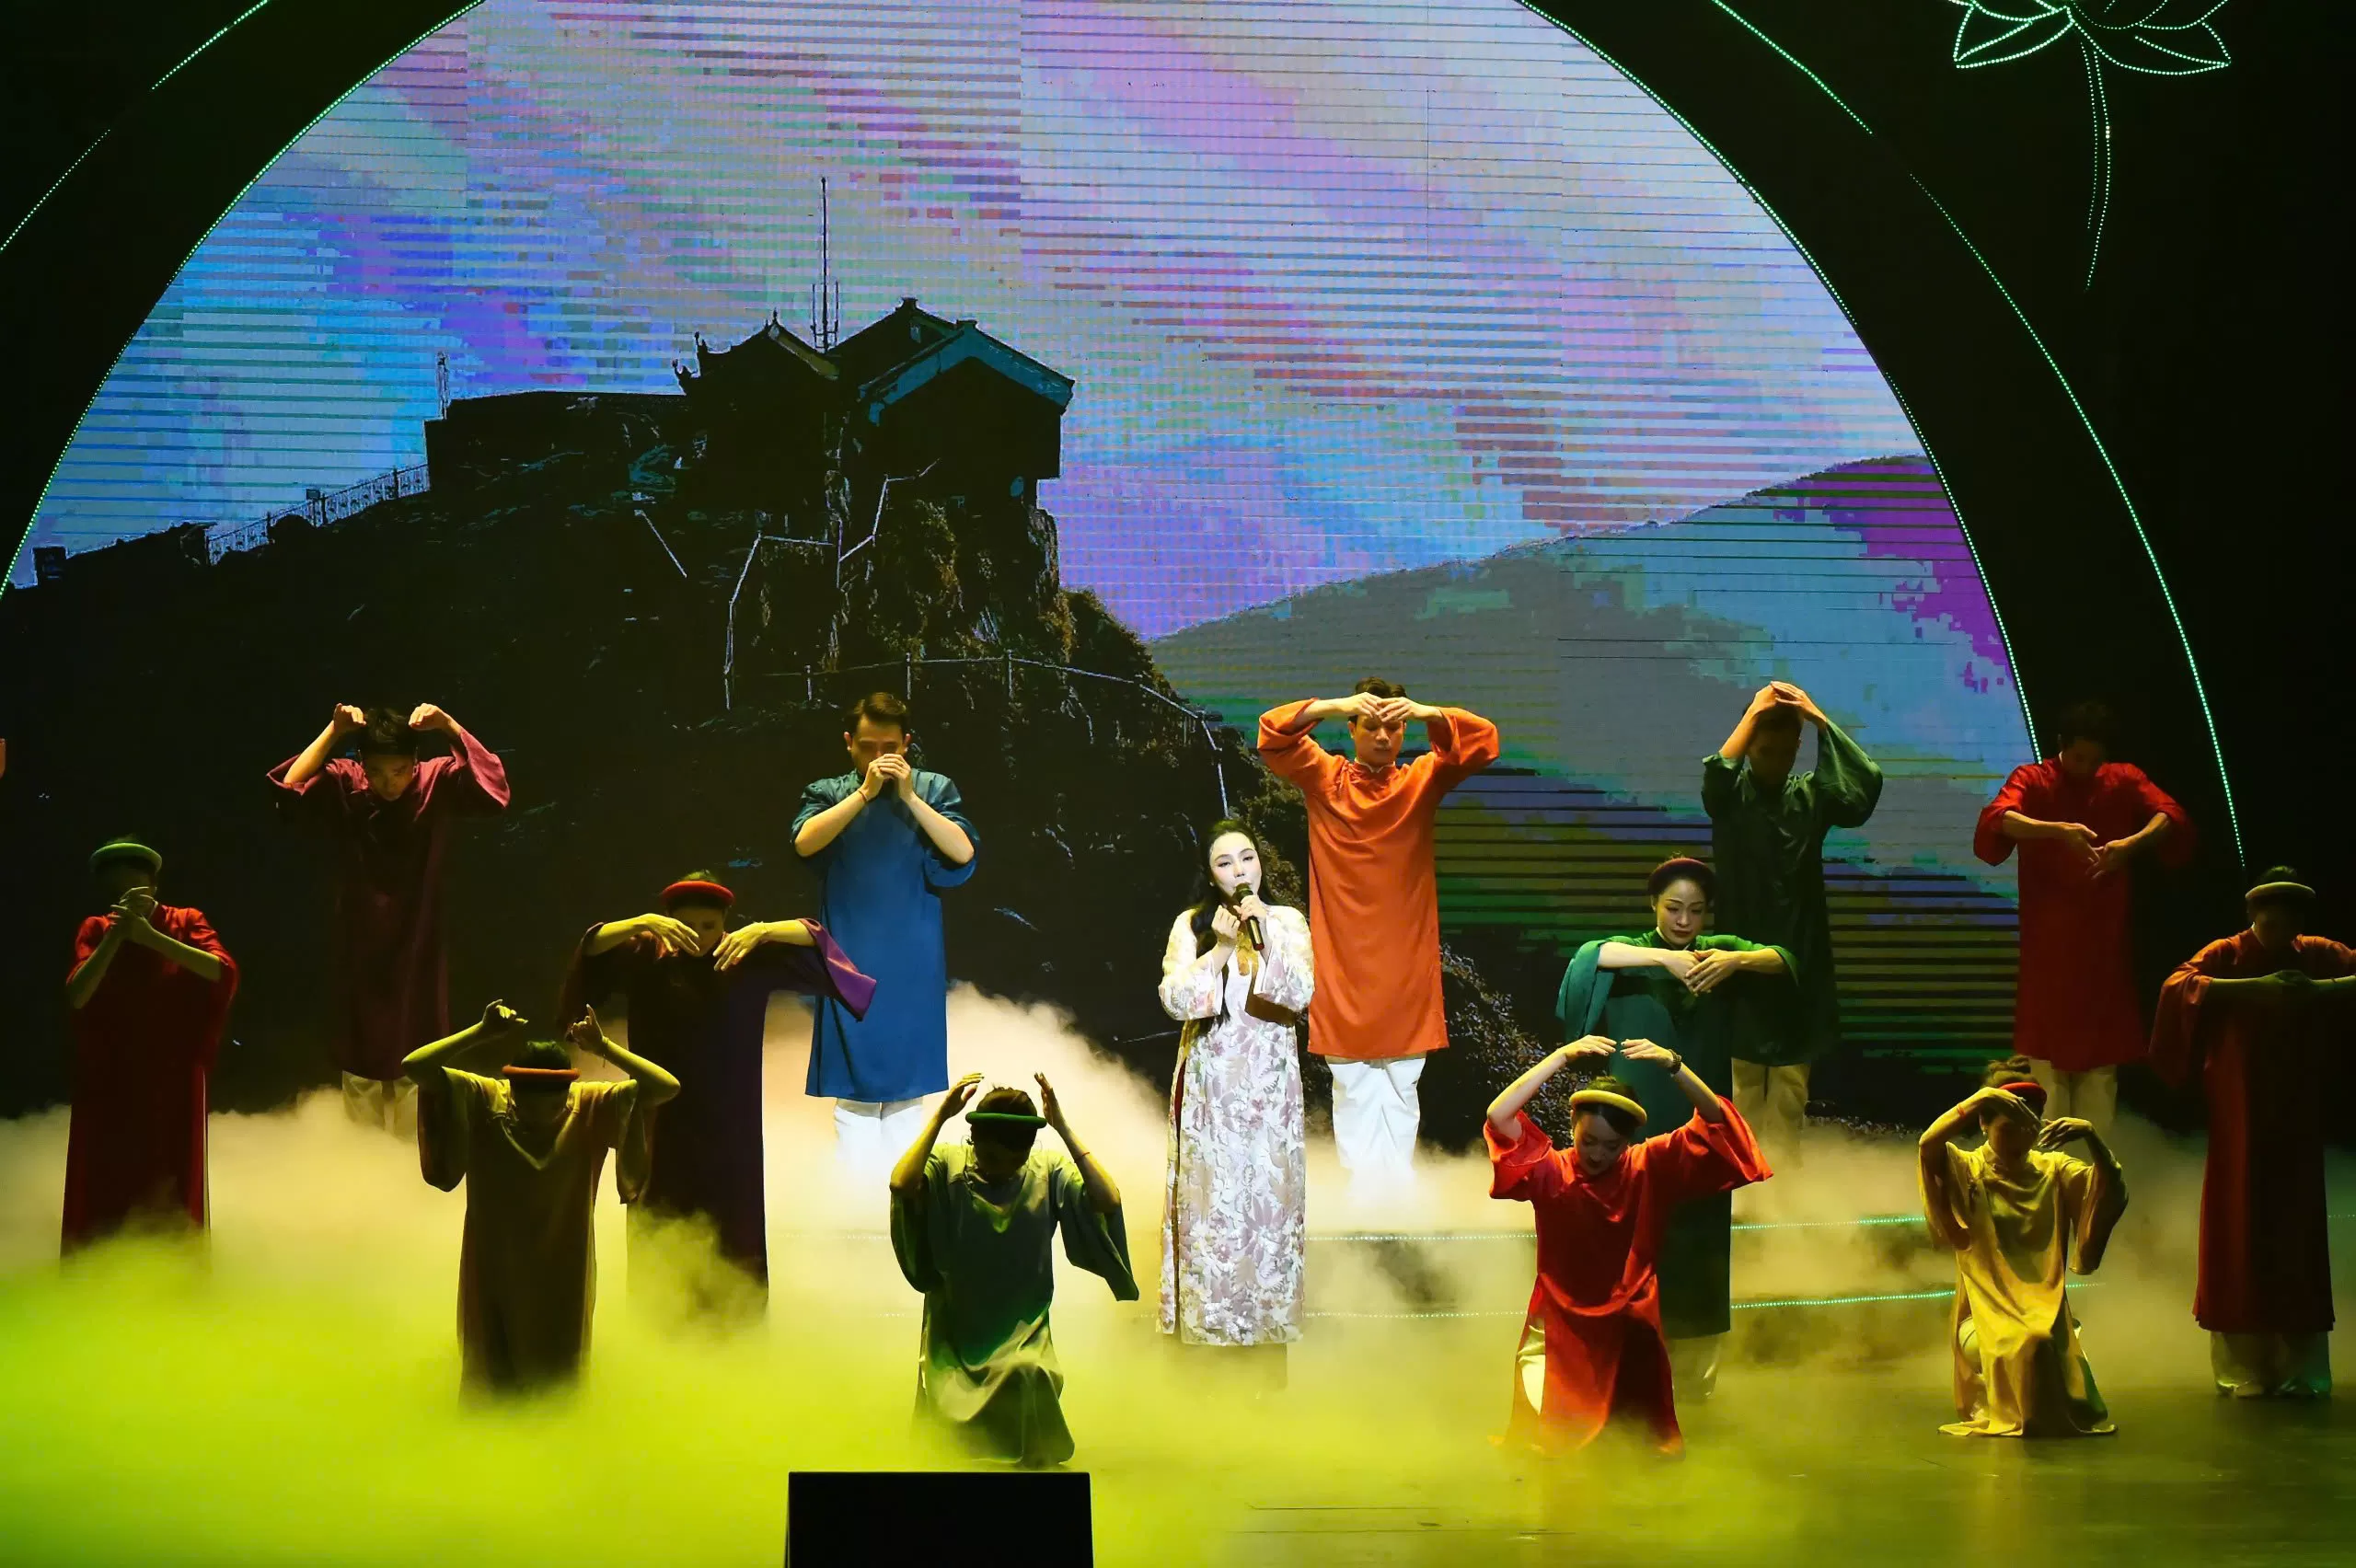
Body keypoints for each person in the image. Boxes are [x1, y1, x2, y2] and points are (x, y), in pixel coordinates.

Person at [560, 873, 875, 1309]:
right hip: (660, 1115)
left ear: (725, 921)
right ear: (668, 921)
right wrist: (642, 923)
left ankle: (737, 1325)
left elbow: (819, 942)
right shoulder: (647, 954)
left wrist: (762, 930)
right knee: (659, 1212)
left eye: (709, 926)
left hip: (731, 1117)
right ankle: (655, 1323)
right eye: (686, 925)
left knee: (733, 1217)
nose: (699, 936)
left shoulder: (745, 955)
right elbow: (592, 948)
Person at [1553, 857, 1795, 1398]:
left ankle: (1693, 1378)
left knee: (1698, 1233)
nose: (1684, 921)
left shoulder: (1718, 950)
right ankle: (1613, 1367)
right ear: (1654, 906)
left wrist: (1734, 961)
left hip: (1696, 1110)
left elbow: (1786, 960)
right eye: (1673, 908)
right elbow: (1591, 956)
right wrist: (1665, 958)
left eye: (1695, 911)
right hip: (1636, 1115)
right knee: (1626, 1232)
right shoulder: (1634, 949)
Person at [1258, 678, 1499, 1187]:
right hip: (1343, 956)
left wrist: (1427, 711)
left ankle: (1396, 1200)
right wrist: (1332, 704)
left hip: (1404, 958)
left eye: (1394, 727)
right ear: (1351, 729)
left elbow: (1483, 741)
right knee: (1352, 1086)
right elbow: (1272, 735)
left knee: (1403, 1085)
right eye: (1371, 725)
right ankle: (1364, 1199)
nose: (1384, 737)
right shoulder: (1326, 777)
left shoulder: (1420, 780)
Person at [1484, 1037, 1770, 1455]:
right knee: (1549, 1440)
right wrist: (1560, 1056)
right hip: (1561, 1317)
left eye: (1611, 1144)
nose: (1598, 1154)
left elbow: (1718, 1124)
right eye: (1589, 1141)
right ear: (1572, 1125)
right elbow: (1498, 1115)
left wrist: (1676, 1066)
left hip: (1627, 1314)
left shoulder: (1646, 1165)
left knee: (1632, 1440)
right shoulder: (1552, 1171)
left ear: (1629, 1139)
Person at [2150, 868, 2353, 1398]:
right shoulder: (2228, 952)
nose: (2280, 924)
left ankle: (2302, 1368)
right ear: (2253, 914)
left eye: (2290, 915)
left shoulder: (2316, 953)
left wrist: (2321, 989)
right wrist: (2253, 989)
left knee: (2295, 1231)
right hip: (2239, 1112)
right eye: (2270, 914)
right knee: (2238, 1225)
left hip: (2297, 1111)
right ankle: (2243, 1368)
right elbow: (2178, 986)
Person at [408, 1000, 676, 1394]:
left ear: (566, 1088)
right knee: (494, 1364)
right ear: (513, 1085)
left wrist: (604, 1047)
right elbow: (414, 1066)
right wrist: (480, 1033)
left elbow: (667, 1087)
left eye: (551, 1095)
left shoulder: (588, 1104)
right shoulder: (486, 1098)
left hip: (564, 1263)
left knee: (559, 1368)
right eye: (530, 1094)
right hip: (497, 1261)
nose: (540, 1106)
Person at [270, 702, 511, 1133]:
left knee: (418, 1051)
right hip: (359, 936)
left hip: (418, 936)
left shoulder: (435, 779)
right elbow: (289, 790)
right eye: (378, 772)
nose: (389, 783)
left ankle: (411, 1162)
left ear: (414, 761)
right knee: (359, 1053)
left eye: (399, 771)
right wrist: (334, 731)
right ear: (363, 763)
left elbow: (493, 791)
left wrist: (448, 725)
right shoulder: (347, 780)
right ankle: (363, 1161)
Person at [888, 1073, 1137, 1466]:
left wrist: (1063, 1129)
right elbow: (902, 1184)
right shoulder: (949, 1162)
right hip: (956, 1325)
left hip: (1023, 1327)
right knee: (949, 1429)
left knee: (1027, 1372)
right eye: (991, 1158)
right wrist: (939, 1118)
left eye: (1014, 1160)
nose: (1002, 1169)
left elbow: (1108, 1199)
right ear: (974, 1140)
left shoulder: (1047, 1169)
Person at [1973, 700, 2193, 1132]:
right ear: (2060, 745)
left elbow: (2171, 815)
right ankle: (2044, 1165)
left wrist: (2131, 845)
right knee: (2047, 1078)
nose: (2086, 767)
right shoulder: (2033, 778)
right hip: (2049, 949)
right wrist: (2057, 830)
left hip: (2103, 949)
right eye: (2078, 757)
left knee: (2100, 1079)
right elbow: (1998, 820)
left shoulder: (2123, 778)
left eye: (2094, 760)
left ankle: (2094, 1165)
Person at [793, 691, 978, 1174]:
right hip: (849, 955)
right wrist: (864, 795)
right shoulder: (829, 791)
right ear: (848, 742)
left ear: (907, 743)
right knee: (854, 1094)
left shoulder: (933, 788)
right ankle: (858, 1201)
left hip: (913, 956)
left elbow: (962, 851)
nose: (879, 758)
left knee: (906, 1093)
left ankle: (903, 1194)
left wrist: (910, 798)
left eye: (890, 748)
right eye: (868, 747)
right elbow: (805, 842)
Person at [1155, 821, 1313, 1366]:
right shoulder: (1191, 925)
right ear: (1210, 874)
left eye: (1247, 858)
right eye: (1225, 863)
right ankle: (1207, 1347)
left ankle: (1266, 1345)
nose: (1240, 870)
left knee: (1270, 1212)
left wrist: (1264, 931)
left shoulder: (1286, 922)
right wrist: (1221, 949)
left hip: (1270, 1093)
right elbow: (1175, 1001)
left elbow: (1300, 993)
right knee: (1212, 1212)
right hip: (1211, 1093)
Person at [1703, 680, 1882, 1157]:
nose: (1776, 762)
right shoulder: (1732, 798)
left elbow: (1865, 785)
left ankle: (1783, 1182)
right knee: (1742, 1083)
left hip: (1799, 953)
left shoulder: (1810, 797)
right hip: (1738, 951)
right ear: (1750, 746)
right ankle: (1741, 1177)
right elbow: (1717, 774)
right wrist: (1753, 713)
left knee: (1790, 1088)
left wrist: (1820, 719)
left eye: (1786, 752)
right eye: (1765, 751)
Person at [1918, 1057, 2126, 1437]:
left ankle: (2043, 1410)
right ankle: (2010, 1407)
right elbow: (1927, 1146)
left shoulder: (2053, 1168)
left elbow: (2108, 1186)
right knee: (2029, 1343)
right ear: (1984, 1124)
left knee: (2041, 1340)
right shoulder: (1970, 1169)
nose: (2020, 1140)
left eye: (2029, 1128)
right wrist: (1979, 1099)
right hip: (1987, 1309)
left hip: (2043, 1308)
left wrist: (2092, 1137)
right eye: (2008, 1129)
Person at [61, 839, 238, 1252]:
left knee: (173, 1173)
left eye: (135, 887)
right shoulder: (96, 928)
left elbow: (222, 971)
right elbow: (77, 994)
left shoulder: (186, 919)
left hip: (174, 1075)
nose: (128, 897)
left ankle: (175, 1272)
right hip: (111, 1075)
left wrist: (149, 937)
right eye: (118, 890)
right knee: (108, 1175)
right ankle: (102, 1268)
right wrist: (116, 937)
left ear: (153, 886)